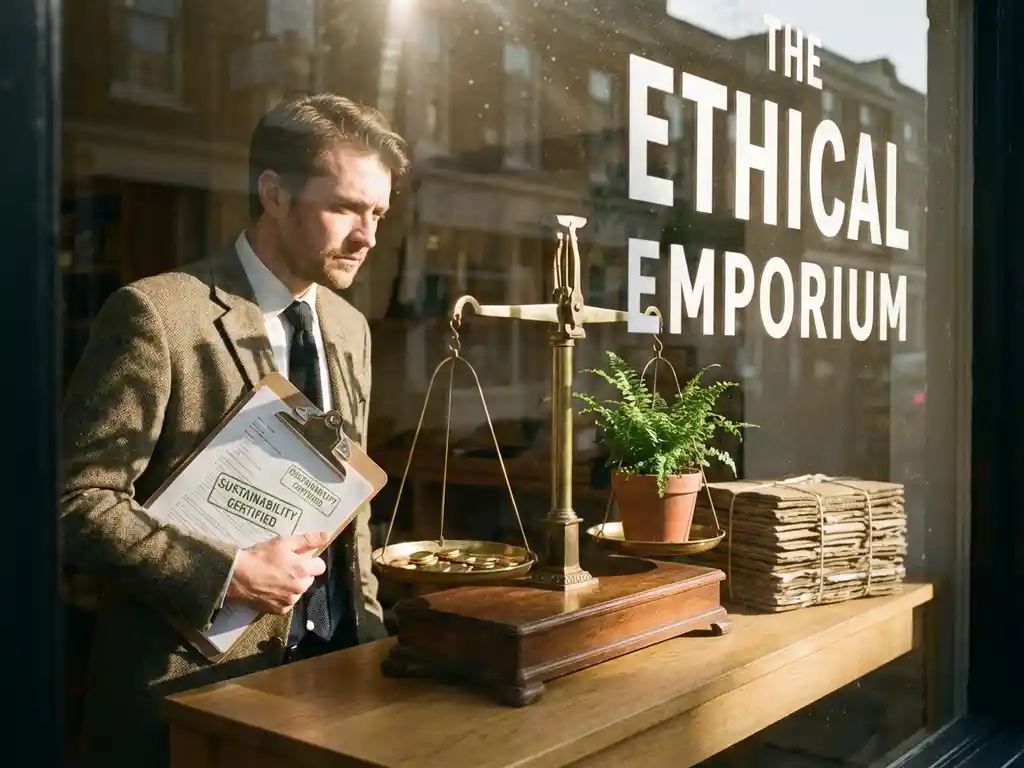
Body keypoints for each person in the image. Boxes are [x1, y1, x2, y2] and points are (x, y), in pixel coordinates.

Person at [60, 93, 409, 768]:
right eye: (345, 207)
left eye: (378, 213)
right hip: (196, 695)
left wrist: (370, 649)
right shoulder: (156, 314)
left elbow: (347, 517)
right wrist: (228, 573)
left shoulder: (349, 329)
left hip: (340, 688)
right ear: (274, 193)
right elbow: (76, 501)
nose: (368, 237)